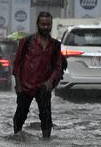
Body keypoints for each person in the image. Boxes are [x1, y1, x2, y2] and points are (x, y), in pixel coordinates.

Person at [10, 11, 62, 139]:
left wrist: (50, 81)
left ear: (51, 25)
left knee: (46, 117)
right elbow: (17, 64)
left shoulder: (55, 45)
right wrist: (18, 85)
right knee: (20, 114)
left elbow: (57, 66)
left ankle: (46, 142)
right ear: (37, 24)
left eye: (48, 24)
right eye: (43, 24)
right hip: (25, 85)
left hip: (43, 87)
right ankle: (17, 136)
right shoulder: (26, 42)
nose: (45, 27)